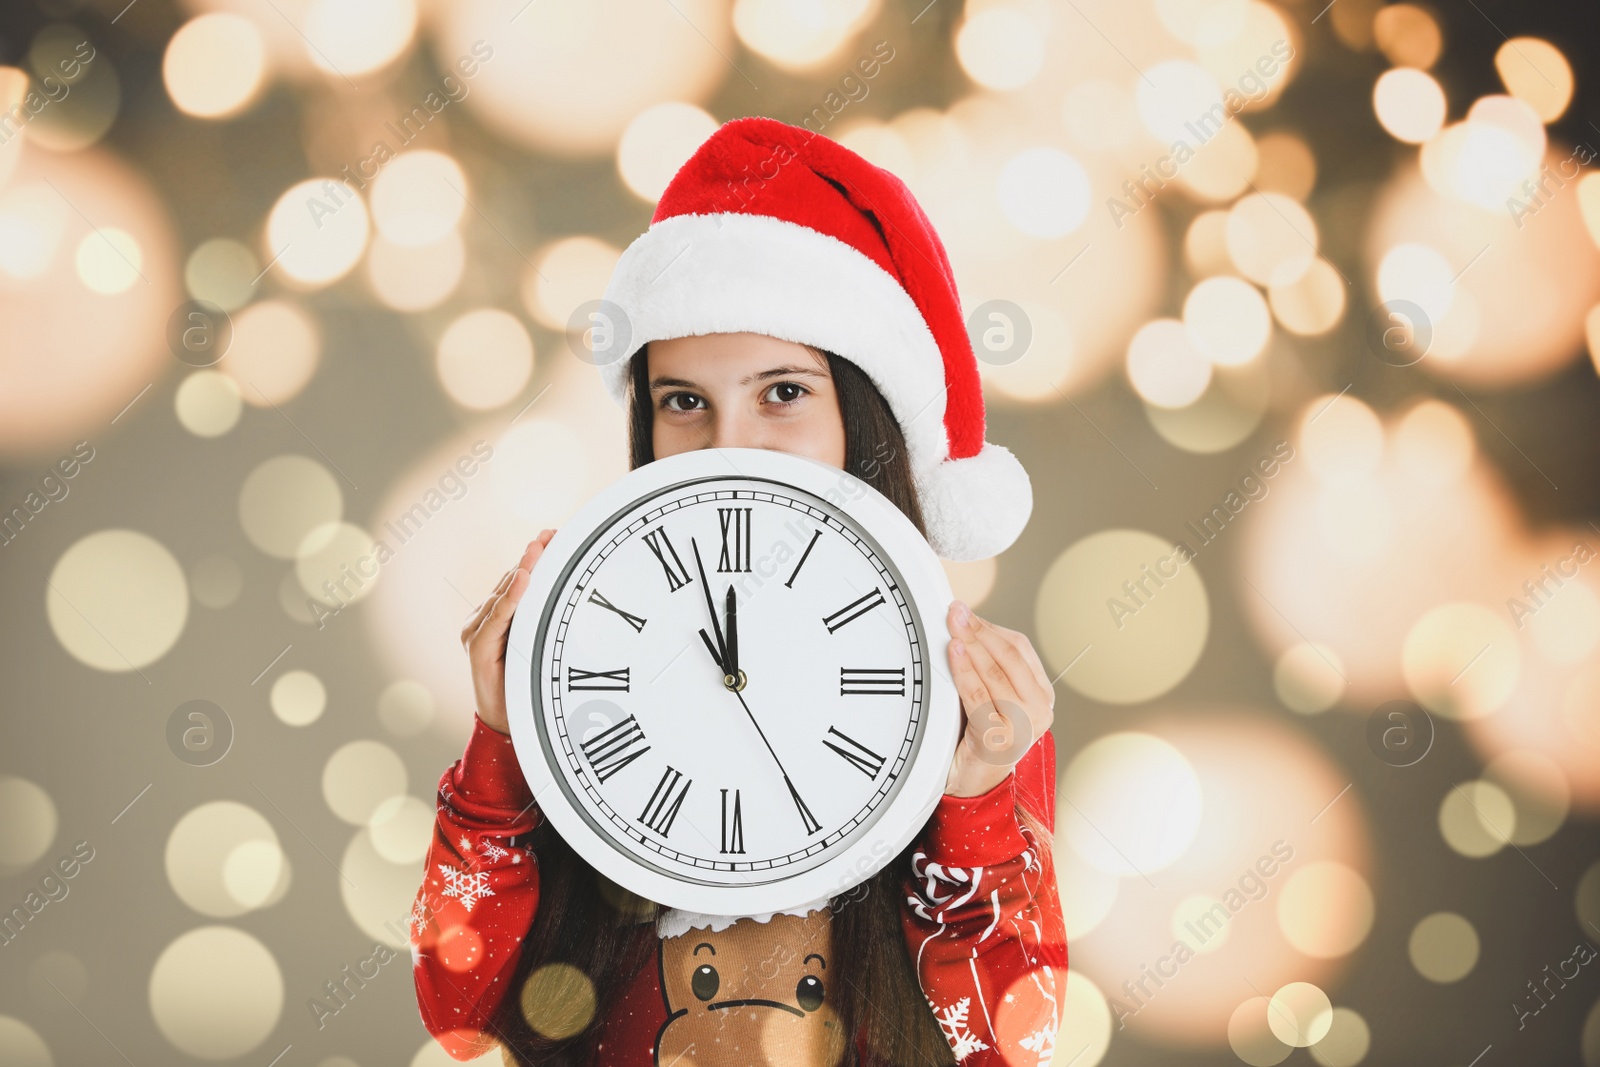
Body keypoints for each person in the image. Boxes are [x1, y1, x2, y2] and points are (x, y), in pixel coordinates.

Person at [408, 116, 1067, 1067]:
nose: (728, 446)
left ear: (865, 413)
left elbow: (1010, 1047)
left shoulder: (982, 705)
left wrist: (971, 804)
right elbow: (459, 1009)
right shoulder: (575, 663)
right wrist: (499, 754)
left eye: (784, 392)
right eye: (684, 401)